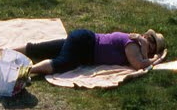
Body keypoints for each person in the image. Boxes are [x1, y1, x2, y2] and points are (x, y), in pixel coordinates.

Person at [18, 28, 166, 76]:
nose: (151, 49)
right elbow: (138, 65)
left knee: (41, 49)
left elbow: (141, 61)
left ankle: (6, 53)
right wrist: (156, 59)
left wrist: (148, 54)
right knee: (64, 63)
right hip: (86, 44)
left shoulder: (136, 44)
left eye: (154, 49)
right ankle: (25, 72)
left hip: (84, 43)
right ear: (146, 37)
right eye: (151, 44)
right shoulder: (132, 43)